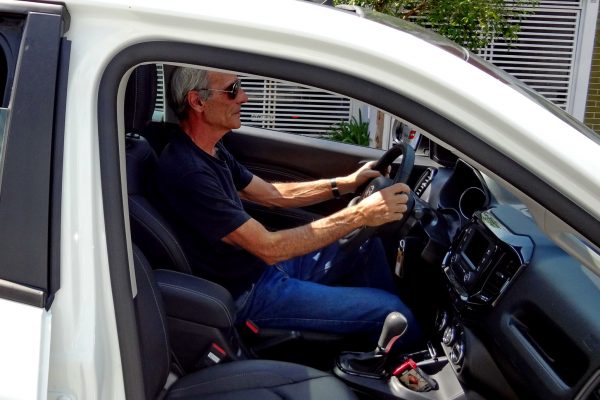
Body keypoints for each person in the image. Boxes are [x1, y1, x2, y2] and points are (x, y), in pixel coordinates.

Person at [157, 66, 419, 347]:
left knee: (366, 244)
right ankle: (408, 361)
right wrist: (359, 214)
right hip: (250, 293)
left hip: (263, 268)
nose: (244, 97)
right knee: (395, 313)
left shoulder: (212, 150)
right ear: (198, 101)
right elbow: (269, 247)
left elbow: (272, 194)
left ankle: (375, 345)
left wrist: (345, 184)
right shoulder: (189, 172)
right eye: (232, 90)